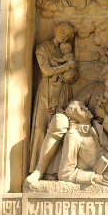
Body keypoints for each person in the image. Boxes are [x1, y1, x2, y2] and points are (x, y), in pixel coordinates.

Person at [28, 23, 76, 173]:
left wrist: (70, 74)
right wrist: (67, 67)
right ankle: (36, 168)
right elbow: (46, 70)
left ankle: (53, 171)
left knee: (59, 128)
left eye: (67, 35)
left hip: (62, 91)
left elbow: (73, 74)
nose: (64, 36)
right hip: (47, 92)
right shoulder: (42, 48)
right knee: (41, 128)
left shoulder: (65, 50)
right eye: (62, 32)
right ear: (56, 30)